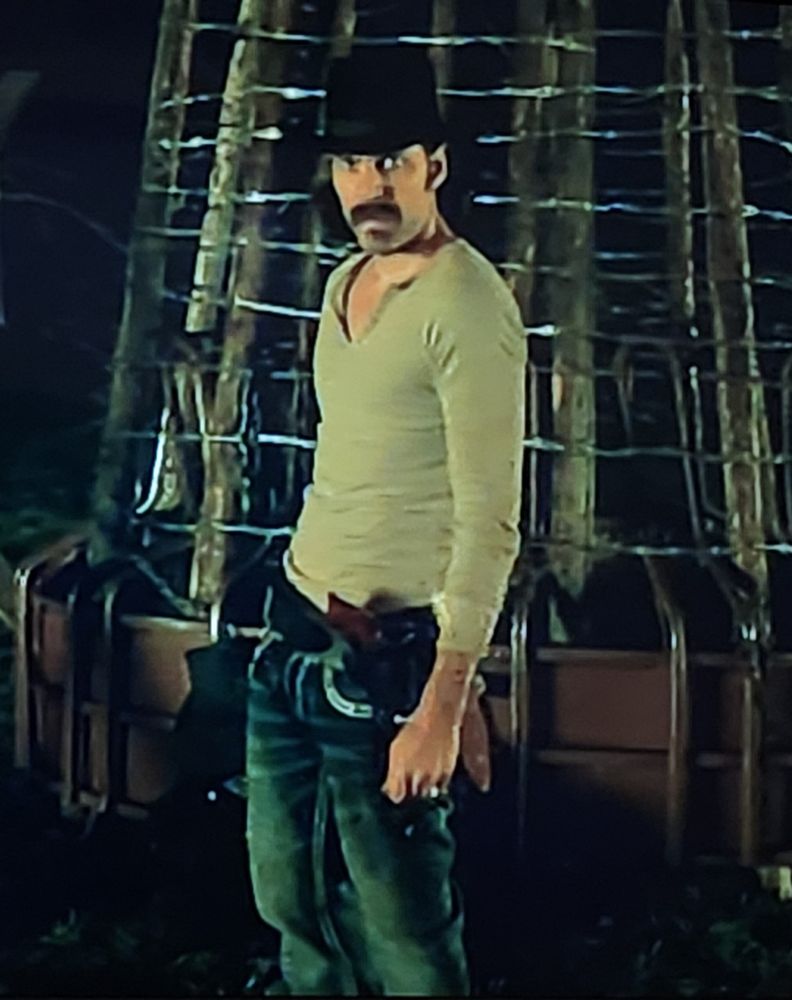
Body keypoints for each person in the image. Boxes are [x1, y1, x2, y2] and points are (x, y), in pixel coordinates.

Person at [245, 45, 527, 996]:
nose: (370, 186)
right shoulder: (343, 285)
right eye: (351, 163)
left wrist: (445, 700)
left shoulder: (468, 305)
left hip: (386, 661)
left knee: (404, 934)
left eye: (392, 162)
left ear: (433, 167)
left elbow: (490, 519)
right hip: (295, 635)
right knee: (292, 906)